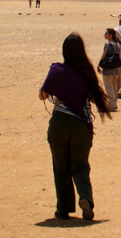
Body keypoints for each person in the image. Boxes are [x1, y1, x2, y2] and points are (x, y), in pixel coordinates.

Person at [39, 33, 112, 220]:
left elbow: (42, 95)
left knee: (60, 166)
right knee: (80, 165)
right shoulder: (86, 73)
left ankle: (63, 209)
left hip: (59, 124)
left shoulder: (56, 70)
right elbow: (96, 100)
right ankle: (86, 198)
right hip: (81, 125)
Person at [97, 28, 121, 109]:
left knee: (109, 87)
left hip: (108, 69)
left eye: (106, 33)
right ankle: (114, 103)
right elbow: (119, 57)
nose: (105, 35)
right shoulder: (118, 45)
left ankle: (112, 105)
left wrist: (99, 65)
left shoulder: (107, 45)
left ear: (110, 35)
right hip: (116, 69)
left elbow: (103, 55)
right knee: (114, 87)